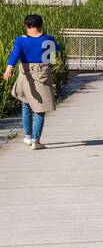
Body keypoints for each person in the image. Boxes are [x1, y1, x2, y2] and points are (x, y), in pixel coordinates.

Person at [3, 14, 60, 150]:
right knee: (40, 110)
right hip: (43, 75)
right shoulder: (49, 39)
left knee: (26, 105)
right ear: (41, 25)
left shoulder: (20, 40)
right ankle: (36, 140)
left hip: (26, 75)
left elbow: (15, 55)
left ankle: (28, 137)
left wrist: (9, 68)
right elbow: (52, 59)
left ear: (26, 26)